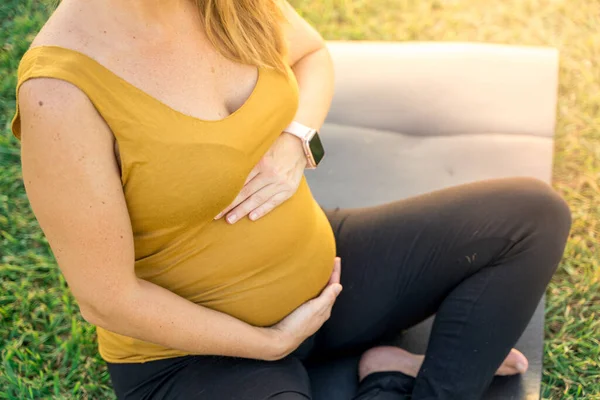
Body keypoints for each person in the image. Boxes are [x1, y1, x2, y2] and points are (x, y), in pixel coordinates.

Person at [11, 0, 572, 398]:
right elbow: (106, 299)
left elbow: (313, 55)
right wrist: (267, 343)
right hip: (199, 359)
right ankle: (379, 376)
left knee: (531, 214)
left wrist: (294, 138)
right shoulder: (59, 94)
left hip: (325, 275)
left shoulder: (221, 3)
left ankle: (409, 382)